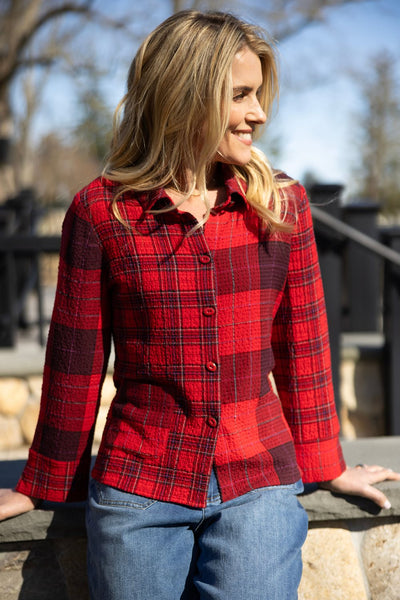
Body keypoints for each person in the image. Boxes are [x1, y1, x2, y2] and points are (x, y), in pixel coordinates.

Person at [0, 10, 399, 600]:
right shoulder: (102, 212)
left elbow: (305, 347)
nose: (259, 113)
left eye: (259, 95)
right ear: (187, 95)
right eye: (241, 95)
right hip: (139, 482)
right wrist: (44, 481)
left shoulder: (280, 205)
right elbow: (75, 361)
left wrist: (327, 465)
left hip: (258, 481)